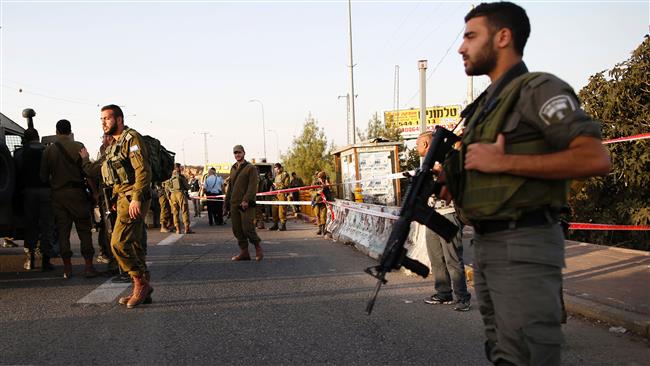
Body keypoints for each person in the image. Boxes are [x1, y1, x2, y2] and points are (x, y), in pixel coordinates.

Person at [439, 3, 611, 365]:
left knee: (528, 356)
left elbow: (595, 158)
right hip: (488, 245)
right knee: (503, 353)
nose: (461, 47)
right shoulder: (485, 105)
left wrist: (505, 162)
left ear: (503, 38)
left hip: (524, 243)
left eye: (471, 36)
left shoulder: (539, 89)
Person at [80, 104, 154, 309]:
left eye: (107, 118)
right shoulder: (113, 144)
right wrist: (114, 199)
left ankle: (141, 283)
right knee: (134, 243)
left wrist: (137, 198)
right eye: (101, 119)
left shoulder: (132, 139)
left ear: (119, 119)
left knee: (118, 243)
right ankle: (142, 288)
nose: (103, 122)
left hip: (134, 197)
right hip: (122, 198)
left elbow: (143, 171)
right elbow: (105, 172)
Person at [416, 131, 471, 312]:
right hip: (433, 215)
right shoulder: (427, 163)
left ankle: (462, 298)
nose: (416, 148)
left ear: (425, 144)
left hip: (449, 215)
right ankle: (443, 293)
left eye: (418, 144)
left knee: (453, 259)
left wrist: (441, 172)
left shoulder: (448, 157)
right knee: (437, 259)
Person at [41, 119, 99, 279]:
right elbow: (88, 173)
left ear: (56, 131)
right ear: (70, 131)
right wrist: (94, 193)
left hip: (58, 196)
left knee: (63, 232)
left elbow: (43, 176)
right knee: (84, 230)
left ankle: (67, 269)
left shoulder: (48, 151)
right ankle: (89, 267)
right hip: (78, 194)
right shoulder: (79, 146)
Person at [13, 128, 55, 272]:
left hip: (28, 192)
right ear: (38, 137)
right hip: (46, 191)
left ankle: (30, 259)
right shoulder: (47, 150)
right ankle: (46, 260)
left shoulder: (21, 153)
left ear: (25, 138)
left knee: (30, 225)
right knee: (47, 226)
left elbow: (16, 172)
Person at [225, 145, 263, 261]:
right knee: (237, 229)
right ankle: (244, 252)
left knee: (248, 228)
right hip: (234, 204)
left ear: (244, 153)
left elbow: (252, 186)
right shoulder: (233, 168)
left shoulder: (251, 168)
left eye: (239, 152)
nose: (237, 154)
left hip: (246, 204)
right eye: (235, 153)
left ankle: (257, 247)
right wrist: (226, 203)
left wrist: (246, 200)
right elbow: (230, 187)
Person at [169, 163, 194, 234]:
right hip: (180, 194)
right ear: (178, 168)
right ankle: (187, 228)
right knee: (184, 211)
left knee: (175, 213)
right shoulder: (180, 176)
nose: (181, 169)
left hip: (172, 195)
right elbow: (187, 187)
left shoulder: (170, 176)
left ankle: (177, 229)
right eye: (180, 167)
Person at [269, 162, 290, 231]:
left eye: (277, 169)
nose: (276, 170)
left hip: (282, 194)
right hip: (276, 195)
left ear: (280, 168)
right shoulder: (276, 176)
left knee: (282, 210)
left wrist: (277, 186)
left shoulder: (285, 175)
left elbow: (286, 185)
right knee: (274, 210)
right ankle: (275, 224)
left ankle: (283, 225)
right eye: (275, 169)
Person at [312, 171, 332, 236]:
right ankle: (319, 229)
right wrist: (317, 192)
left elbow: (330, 192)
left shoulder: (326, 183)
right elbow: (310, 191)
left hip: (323, 202)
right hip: (316, 202)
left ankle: (323, 230)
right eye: (320, 178)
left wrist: (327, 186)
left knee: (323, 216)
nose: (321, 179)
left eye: (323, 178)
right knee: (317, 215)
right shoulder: (315, 183)